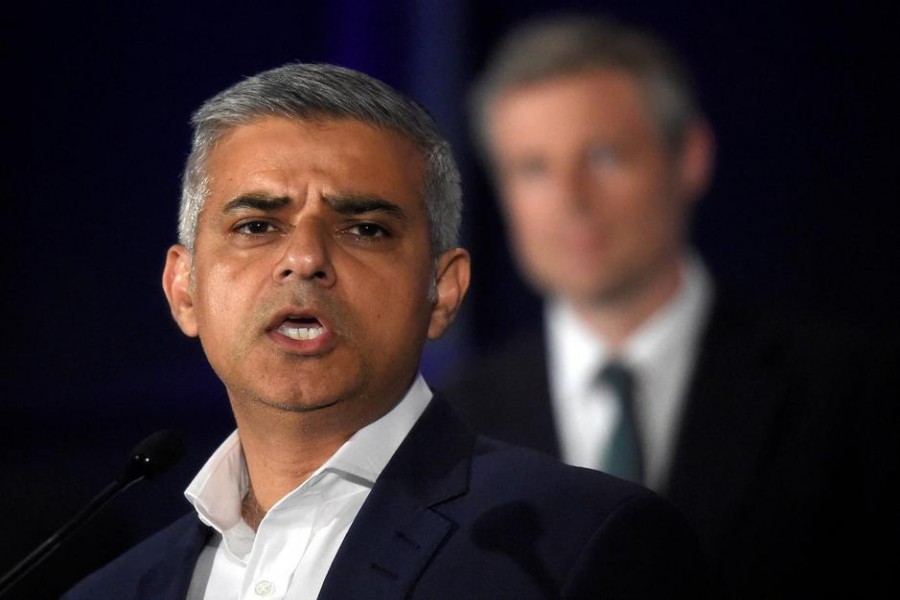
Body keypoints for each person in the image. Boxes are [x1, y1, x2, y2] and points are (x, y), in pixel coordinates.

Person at [60, 62, 709, 599]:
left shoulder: (577, 544)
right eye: (257, 226)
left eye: (365, 229)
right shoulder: (106, 593)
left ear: (442, 291)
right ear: (184, 289)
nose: (306, 258)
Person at [441, 12, 899, 599]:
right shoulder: (455, 425)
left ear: (690, 158)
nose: (570, 200)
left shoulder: (853, 390)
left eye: (604, 157)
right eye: (533, 169)